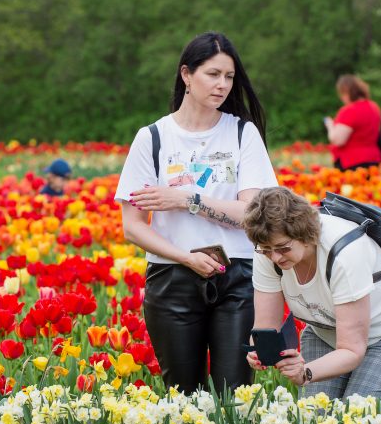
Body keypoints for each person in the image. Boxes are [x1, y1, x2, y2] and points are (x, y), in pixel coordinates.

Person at [115, 31, 277, 395]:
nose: (222, 85)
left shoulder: (241, 134)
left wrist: (188, 199)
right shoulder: (153, 138)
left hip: (236, 276)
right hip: (172, 277)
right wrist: (185, 258)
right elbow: (132, 227)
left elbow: (252, 212)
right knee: (182, 393)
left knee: (233, 394)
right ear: (187, 75)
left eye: (229, 77)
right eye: (212, 74)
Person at [244, 187, 381, 400]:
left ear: (304, 234)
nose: (275, 257)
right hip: (324, 331)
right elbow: (266, 326)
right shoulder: (267, 250)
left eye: (283, 248)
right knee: (313, 418)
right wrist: (258, 349)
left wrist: (305, 373)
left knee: (356, 419)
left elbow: (351, 350)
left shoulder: (344, 251)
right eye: (266, 249)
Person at [324, 75, 381, 170]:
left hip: (352, 161)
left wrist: (329, 125)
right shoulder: (374, 107)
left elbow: (338, 140)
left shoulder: (350, 111)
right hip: (373, 159)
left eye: (342, 94)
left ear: (347, 92)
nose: (341, 98)